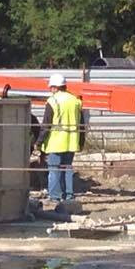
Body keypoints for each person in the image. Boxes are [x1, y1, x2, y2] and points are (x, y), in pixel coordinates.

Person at [37, 73, 84, 211]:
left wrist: (39, 142)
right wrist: (81, 141)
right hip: (71, 141)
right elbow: (82, 124)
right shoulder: (75, 101)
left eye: (51, 87)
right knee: (67, 168)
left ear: (54, 87)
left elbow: (46, 124)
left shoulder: (53, 101)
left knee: (54, 169)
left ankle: (55, 197)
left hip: (56, 142)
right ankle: (68, 196)